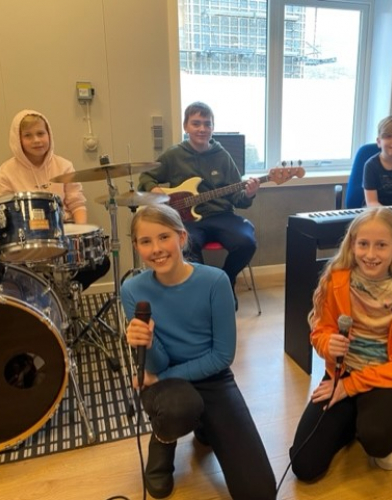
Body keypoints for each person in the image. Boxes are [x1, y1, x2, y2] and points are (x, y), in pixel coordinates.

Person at [121, 204, 276, 500]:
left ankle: (205, 425)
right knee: (179, 407)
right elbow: (155, 364)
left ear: (182, 238)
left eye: (164, 237)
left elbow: (222, 357)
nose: (156, 249)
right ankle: (163, 441)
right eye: (145, 241)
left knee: (259, 493)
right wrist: (147, 344)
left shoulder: (215, 281)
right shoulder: (131, 290)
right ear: (137, 247)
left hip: (211, 376)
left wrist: (160, 377)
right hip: (169, 387)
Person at [289, 207, 392, 481]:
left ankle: (371, 421)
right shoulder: (336, 280)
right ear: (352, 244)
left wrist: (349, 387)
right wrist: (327, 343)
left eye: (381, 245)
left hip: (384, 378)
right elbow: (320, 330)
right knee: (304, 466)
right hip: (341, 372)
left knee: (380, 445)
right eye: (363, 244)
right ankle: (353, 418)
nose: (370, 254)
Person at [138, 101, 259, 310]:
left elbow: (237, 199)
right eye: (196, 123)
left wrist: (249, 194)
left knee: (247, 241)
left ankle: (226, 281)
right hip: (187, 219)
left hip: (222, 215)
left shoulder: (222, 156)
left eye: (207, 124)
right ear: (186, 126)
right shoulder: (174, 155)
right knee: (186, 244)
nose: (202, 129)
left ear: (213, 127)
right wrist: (155, 189)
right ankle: (204, 292)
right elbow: (145, 176)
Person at [0, 109, 110, 291]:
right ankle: (43, 299)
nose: (36, 140)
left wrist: (79, 235)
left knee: (101, 262)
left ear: (49, 134)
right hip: (27, 238)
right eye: (28, 135)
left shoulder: (64, 166)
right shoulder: (5, 172)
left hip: (63, 232)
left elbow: (77, 203)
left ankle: (66, 294)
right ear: (17, 139)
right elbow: (5, 213)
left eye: (40, 133)